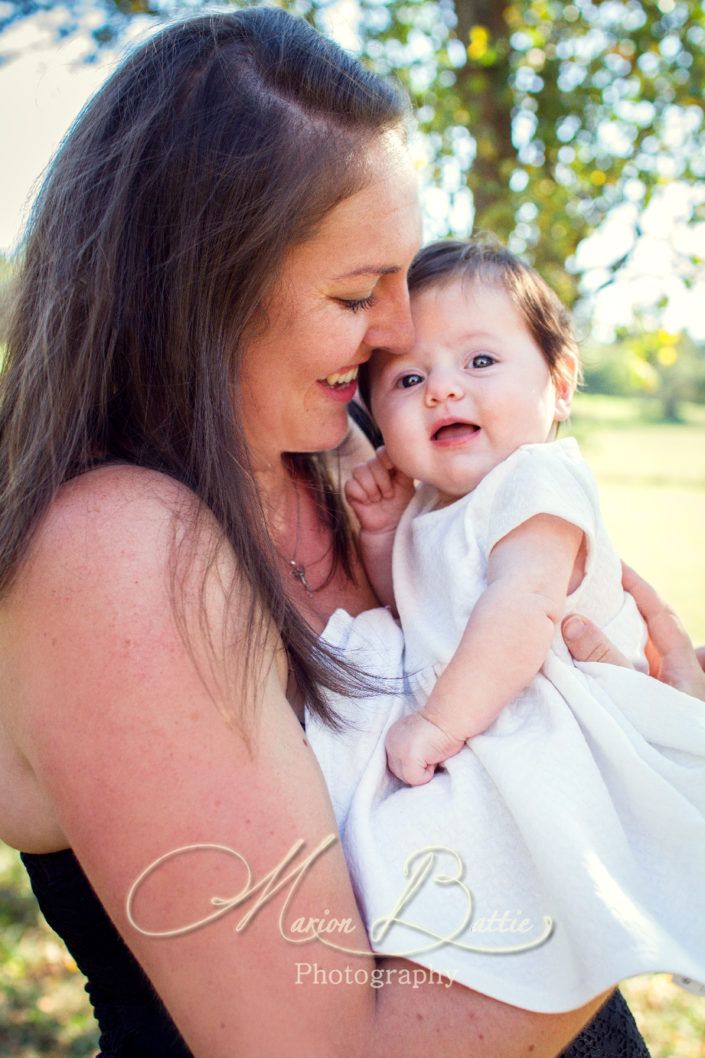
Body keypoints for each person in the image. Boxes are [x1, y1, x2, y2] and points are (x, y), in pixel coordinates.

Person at [0, 8, 701, 1056]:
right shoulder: (116, 555)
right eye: (355, 293)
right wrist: (654, 815)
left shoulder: (355, 458)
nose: (400, 332)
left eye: (403, 281)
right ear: (196, 297)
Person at [306, 238, 705, 1013]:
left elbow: (515, 615)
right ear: (375, 415)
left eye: (479, 363)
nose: (442, 391)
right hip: (493, 713)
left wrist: (433, 726)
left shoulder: (539, 481)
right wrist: (387, 537)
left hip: (565, 715)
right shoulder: (427, 506)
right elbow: (424, 610)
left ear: (557, 387)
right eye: (409, 378)